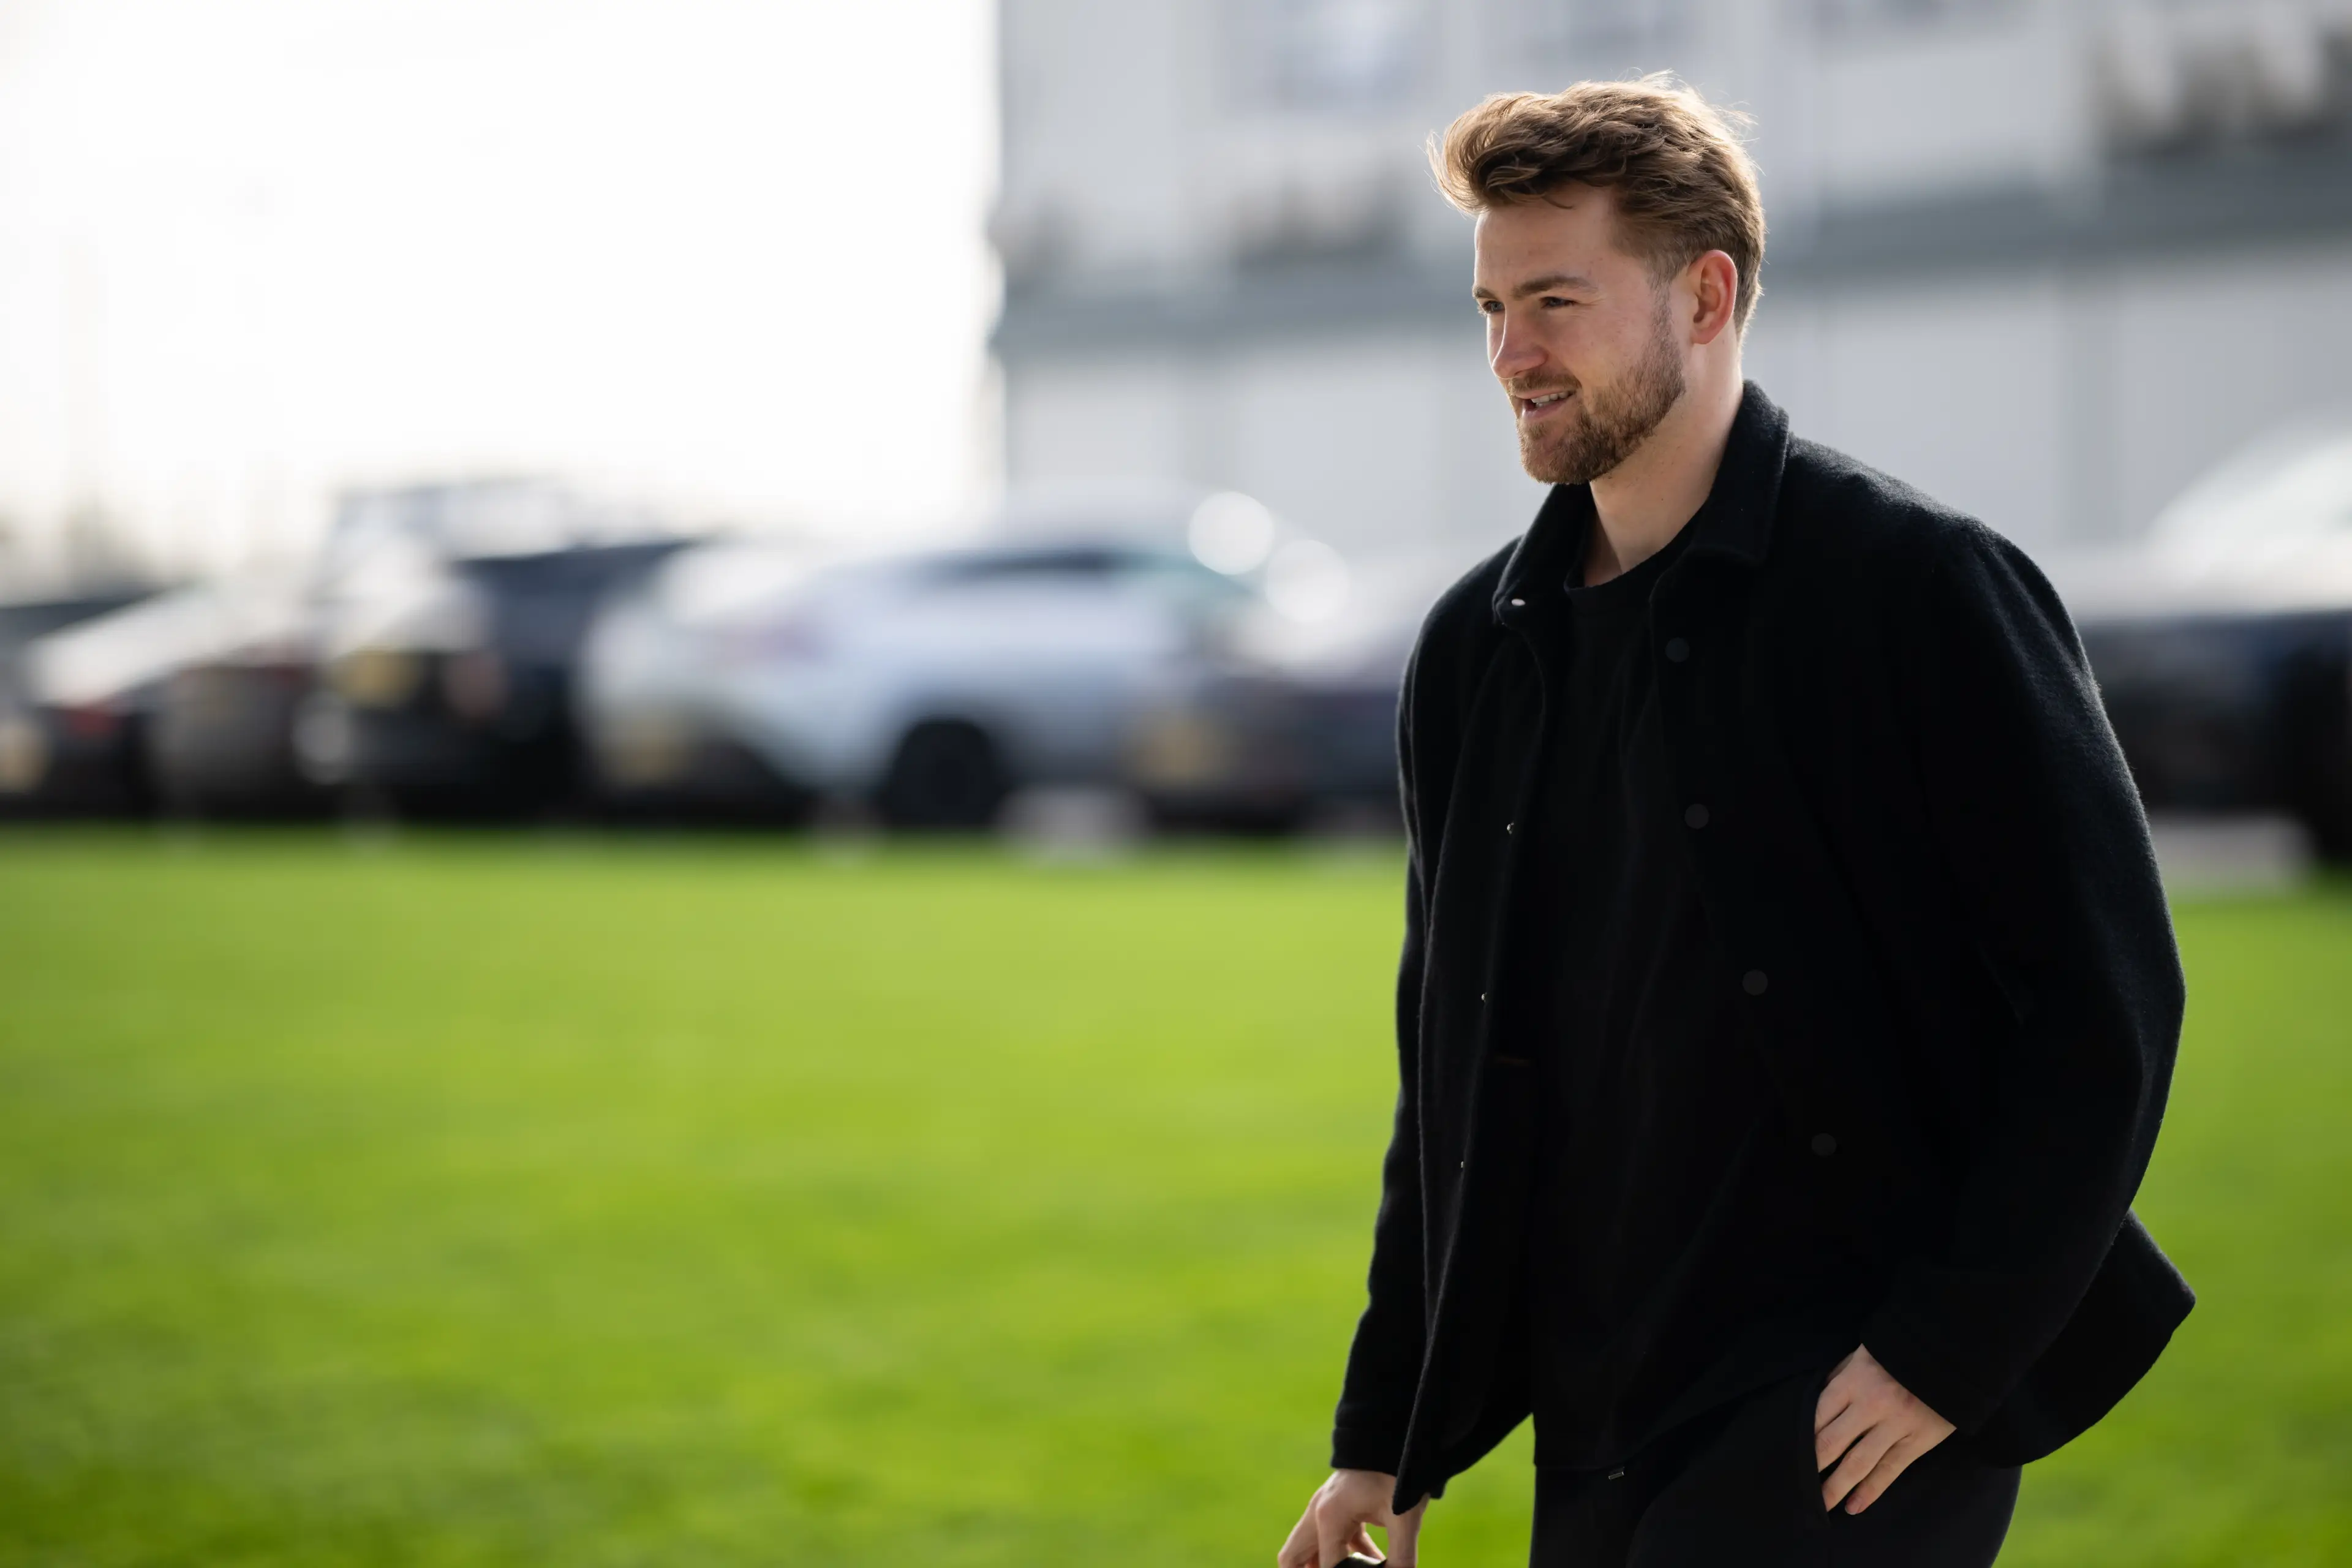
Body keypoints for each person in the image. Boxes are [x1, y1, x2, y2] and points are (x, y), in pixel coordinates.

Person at [1277, 77, 2192, 1568]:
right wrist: (1384, 1430)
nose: (1511, 354)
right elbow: (1447, 1074)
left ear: (1703, 296)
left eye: (1555, 301)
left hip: (1849, 1401)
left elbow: (2108, 1005)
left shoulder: (1921, 590)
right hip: (1598, 1404)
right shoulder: (1473, 653)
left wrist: (1944, 1350)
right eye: (1492, 308)